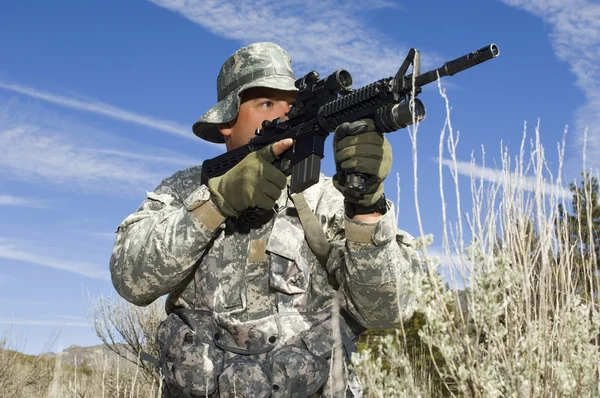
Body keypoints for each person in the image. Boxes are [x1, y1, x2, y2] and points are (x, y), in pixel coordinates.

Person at [110, 42, 421, 398]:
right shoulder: (185, 189)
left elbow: (387, 312)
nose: (283, 115)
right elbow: (130, 280)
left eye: (291, 105)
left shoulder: (327, 199)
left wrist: (365, 204)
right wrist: (216, 202)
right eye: (266, 103)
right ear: (227, 121)